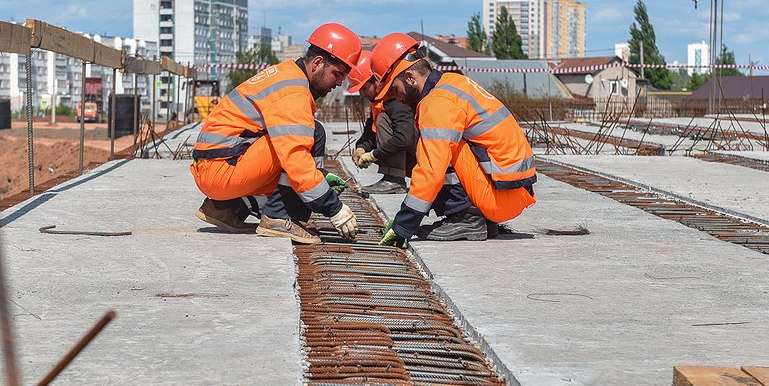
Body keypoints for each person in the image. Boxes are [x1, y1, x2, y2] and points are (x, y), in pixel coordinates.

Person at [190, 23, 362, 245]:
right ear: (318, 63)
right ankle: (279, 217)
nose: (339, 83)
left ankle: (226, 208)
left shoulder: (287, 74)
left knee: (299, 145)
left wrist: (318, 179)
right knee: (309, 137)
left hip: (217, 167)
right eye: (337, 74)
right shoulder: (293, 91)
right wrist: (333, 207)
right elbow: (295, 158)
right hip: (223, 170)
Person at [368, 32, 537, 245]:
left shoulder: (437, 102)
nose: (397, 98)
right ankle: (476, 217)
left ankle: (465, 217)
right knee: (438, 144)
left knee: (439, 149)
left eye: (395, 89)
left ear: (410, 77)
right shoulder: (452, 82)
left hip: (501, 198)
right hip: (511, 192)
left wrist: (404, 225)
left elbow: (431, 171)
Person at [349, 50, 417, 195]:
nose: (361, 94)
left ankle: (394, 179)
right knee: (381, 119)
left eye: (364, 88)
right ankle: (392, 178)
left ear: (377, 81)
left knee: (383, 119)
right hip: (414, 155)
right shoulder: (379, 101)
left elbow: (404, 138)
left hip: (424, 154)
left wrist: (374, 154)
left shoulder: (395, 100)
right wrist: (361, 148)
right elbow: (370, 131)